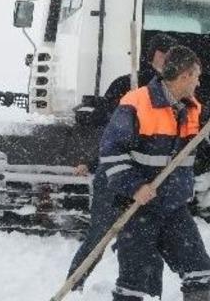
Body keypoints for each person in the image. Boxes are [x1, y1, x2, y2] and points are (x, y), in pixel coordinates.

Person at [100, 46, 210, 301]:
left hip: (173, 208)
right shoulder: (136, 102)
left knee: (198, 270)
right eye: (196, 75)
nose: (198, 81)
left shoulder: (193, 108)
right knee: (135, 283)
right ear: (184, 75)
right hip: (137, 207)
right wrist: (135, 186)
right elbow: (111, 152)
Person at [64, 33, 177, 292]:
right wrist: (91, 162)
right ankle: (74, 286)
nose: (168, 60)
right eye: (164, 53)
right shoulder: (126, 85)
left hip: (147, 178)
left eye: (172, 55)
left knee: (149, 238)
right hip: (114, 174)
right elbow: (108, 134)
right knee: (100, 234)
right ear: (153, 55)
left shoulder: (172, 94)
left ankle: (150, 292)